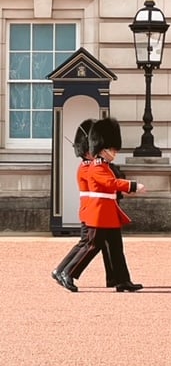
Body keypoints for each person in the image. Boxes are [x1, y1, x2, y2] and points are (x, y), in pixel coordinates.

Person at [58, 117, 146, 293]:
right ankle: (69, 272)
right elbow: (109, 183)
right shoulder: (96, 167)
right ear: (102, 149)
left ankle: (122, 280)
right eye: (112, 149)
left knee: (116, 248)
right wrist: (132, 185)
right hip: (99, 214)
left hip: (108, 213)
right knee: (92, 245)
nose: (115, 152)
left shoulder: (104, 165)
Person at [52, 118, 116, 290]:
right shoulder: (89, 167)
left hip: (92, 210)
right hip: (93, 212)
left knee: (84, 243)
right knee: (91, 245)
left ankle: (60, 270)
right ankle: (68, 273)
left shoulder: (89, 165)